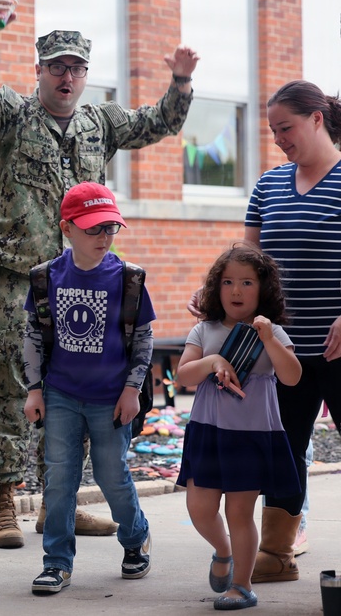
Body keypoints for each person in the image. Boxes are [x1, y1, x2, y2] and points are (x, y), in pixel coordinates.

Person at [0, 0, 199, 549]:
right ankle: (4, 503)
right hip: (19, 276)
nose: (67, 76)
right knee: (11, 382)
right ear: (39, 70)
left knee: (73, 385)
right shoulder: (12, 116)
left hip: (80, 279)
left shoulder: (98, 123)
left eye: (76, 68)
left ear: (85, 76)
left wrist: (180, 83)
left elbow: (157, 123)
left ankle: (58, 503)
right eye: (57, 66)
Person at [22, 182, 155, 594]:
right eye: (94, 228)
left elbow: (144, 338)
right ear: (67, 228)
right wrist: (34, 389)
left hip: (111, 399)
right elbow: (30, 334)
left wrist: (132, 389)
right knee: (60, 480)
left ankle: (135, 539)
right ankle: (56, 563)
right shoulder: (46, 278)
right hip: (61, 394)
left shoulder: (128, 279)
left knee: (112, 475)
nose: (104, 237)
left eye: (110, 228)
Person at [241, 80, 341, 582]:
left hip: (340, 347)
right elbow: (251, 262)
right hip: (284, 351)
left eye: (287, 127)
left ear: (317, 118)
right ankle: (277, 553)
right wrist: (220, 293)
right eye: (273, 130)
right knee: (282, 446)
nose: (279, 138)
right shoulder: (269, 186)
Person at [176, 244, 301, 610]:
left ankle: (242, 586)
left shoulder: (272, 331)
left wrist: (267, 338)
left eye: (247, 283)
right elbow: (183, 376)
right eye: (228, 281)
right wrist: (213, 359)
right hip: (208, 431)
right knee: (199, 506)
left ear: (263, 290)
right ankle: (223, 549)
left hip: (251, 435)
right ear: (216, 288)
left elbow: (292, 377)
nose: (236, 291)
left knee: (239, 513)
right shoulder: (204, 329)